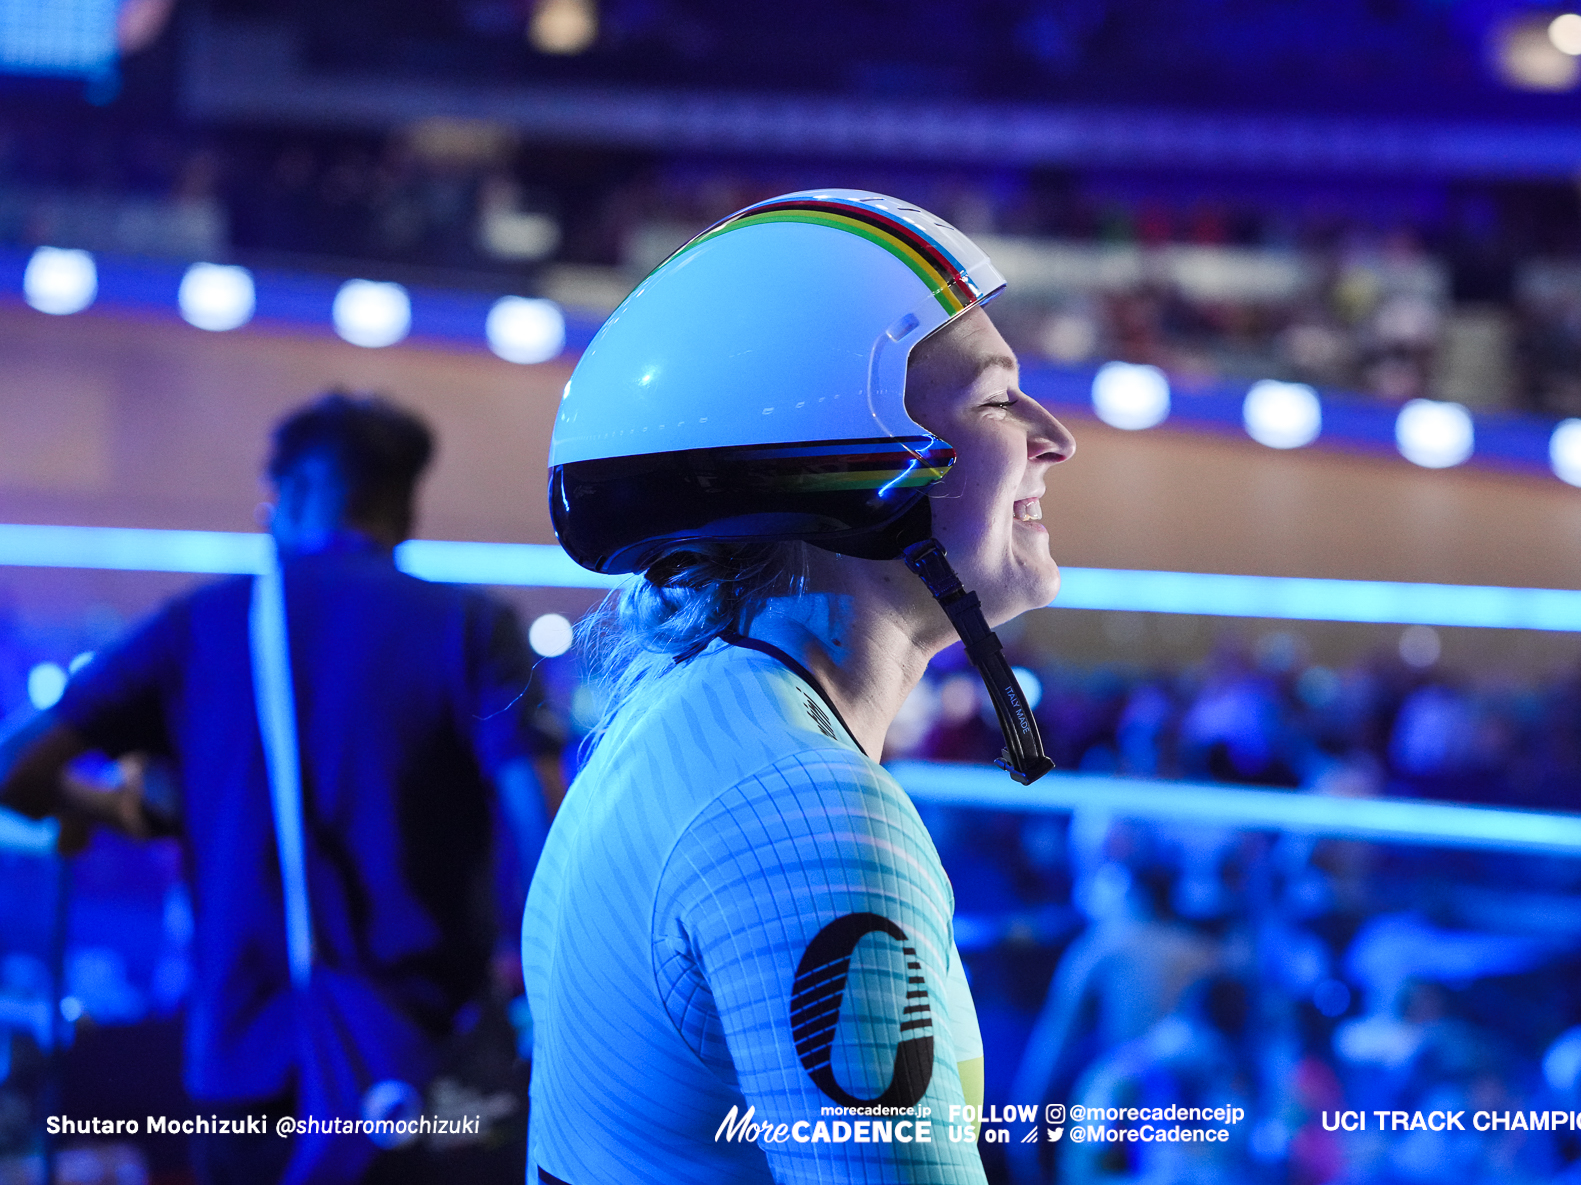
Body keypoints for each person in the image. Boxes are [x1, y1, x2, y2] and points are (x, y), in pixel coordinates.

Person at [523, 188, 1076, 1182]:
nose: (1052, 435)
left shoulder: (688, 713)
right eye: (997, 397)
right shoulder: (808, 816)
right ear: (857, 467)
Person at [0, 392, 556, 1185]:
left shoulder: (202, 627)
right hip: (431, 1060)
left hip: (246, 1058)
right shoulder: (470, 627)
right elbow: (542, 827)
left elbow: (15, 767)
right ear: (404, 506)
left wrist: (120, 811)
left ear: (293, 494)